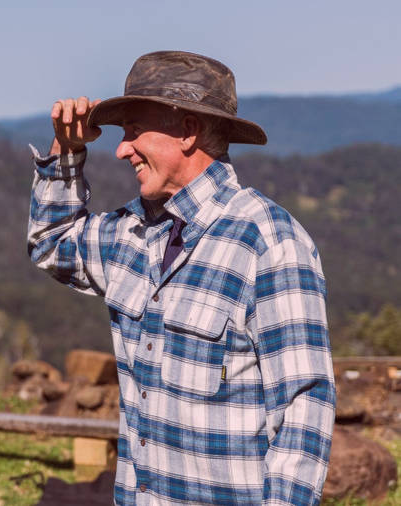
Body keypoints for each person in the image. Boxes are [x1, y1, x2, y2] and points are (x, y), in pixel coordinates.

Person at [27, 51, 335, 505]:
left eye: (134, 130)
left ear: (187, 131)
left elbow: (303, 407)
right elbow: (51, 242)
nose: (121, 148)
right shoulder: (127, 233)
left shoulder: (269, 242)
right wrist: (67, 153)